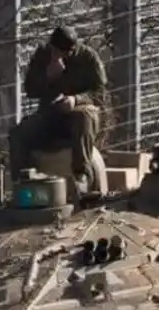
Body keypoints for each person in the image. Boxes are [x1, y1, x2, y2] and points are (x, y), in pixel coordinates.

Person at [9, 25, 108, 194]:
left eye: (61, 52)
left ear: (72, 50)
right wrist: (47, 76)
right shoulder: (43, 56)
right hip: (50, 113)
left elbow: (100, 95)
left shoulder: (88, 58)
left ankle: (82, 176)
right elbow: (31, 90)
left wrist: (76, 100)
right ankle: (23, 180)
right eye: (54, 51)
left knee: (84, 116)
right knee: (20, 133)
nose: (57, 55)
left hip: (78, 113)